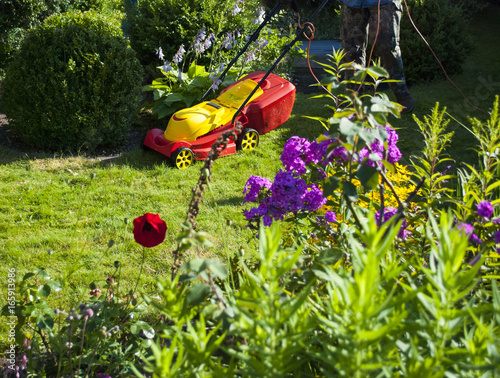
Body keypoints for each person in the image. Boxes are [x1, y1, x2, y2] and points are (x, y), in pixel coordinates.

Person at [339, 0, 414, 113]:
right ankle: (354, 99)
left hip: (384, 2)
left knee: (387, 47)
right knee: (351, 49)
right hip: (352, 3)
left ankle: (402, 93)